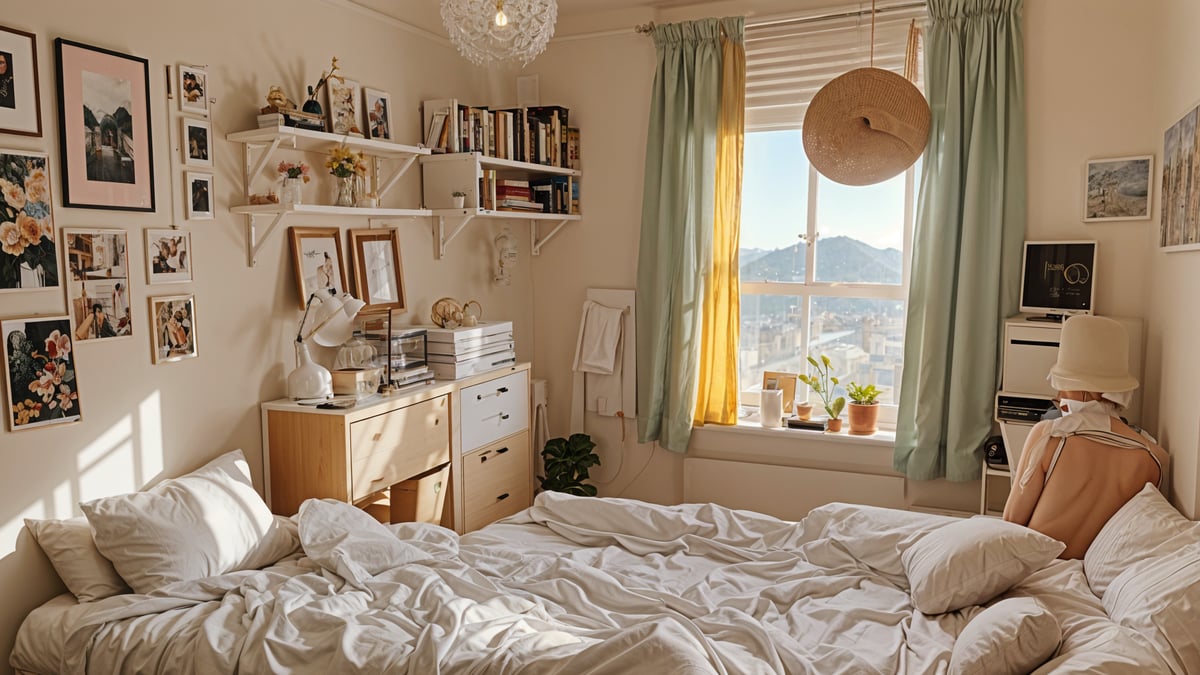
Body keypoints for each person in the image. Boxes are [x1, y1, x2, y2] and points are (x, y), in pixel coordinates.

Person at [1003, 315, 1168, 559]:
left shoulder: (1049, 435)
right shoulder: (1154, 458)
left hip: (1035, 569)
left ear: (1073, 382)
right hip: (1084, 577)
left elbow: (1010, 524)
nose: (1058, 392)